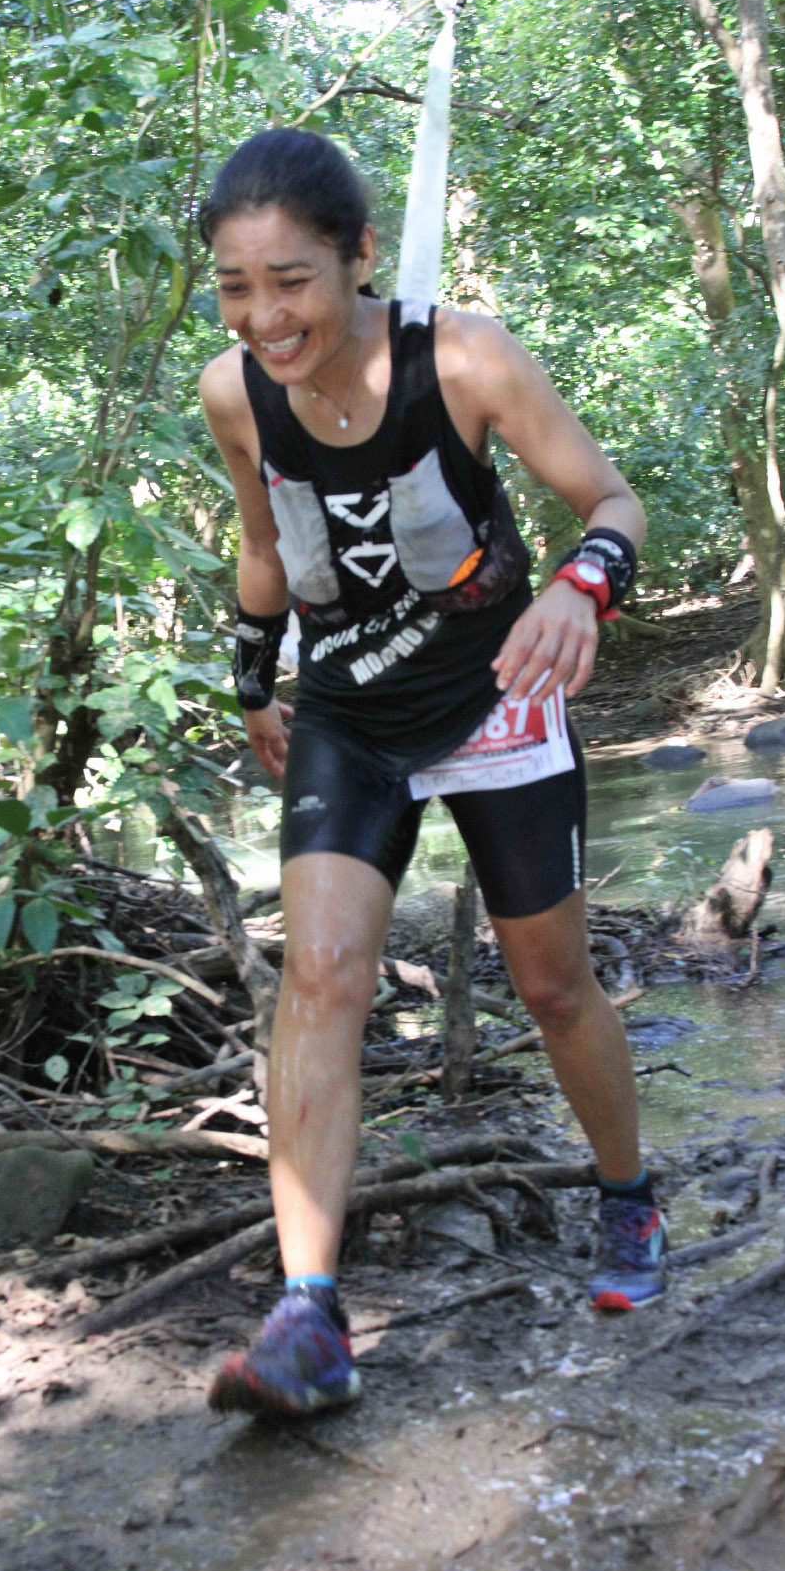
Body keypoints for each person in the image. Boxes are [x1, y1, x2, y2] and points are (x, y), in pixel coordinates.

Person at [197, 128, 666, 1419]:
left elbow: (613, 504)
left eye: (290, 280)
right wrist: (251, 678)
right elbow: (260, 546)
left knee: (551, 984)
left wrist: (581, 589)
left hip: (498, 700)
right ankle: (308, 1319)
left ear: (356, 258)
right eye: (237, 288)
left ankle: (629, 1199)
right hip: (347, 713)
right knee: (323, 972)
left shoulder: (462, 358)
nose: (266, 316)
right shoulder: (233, 391)